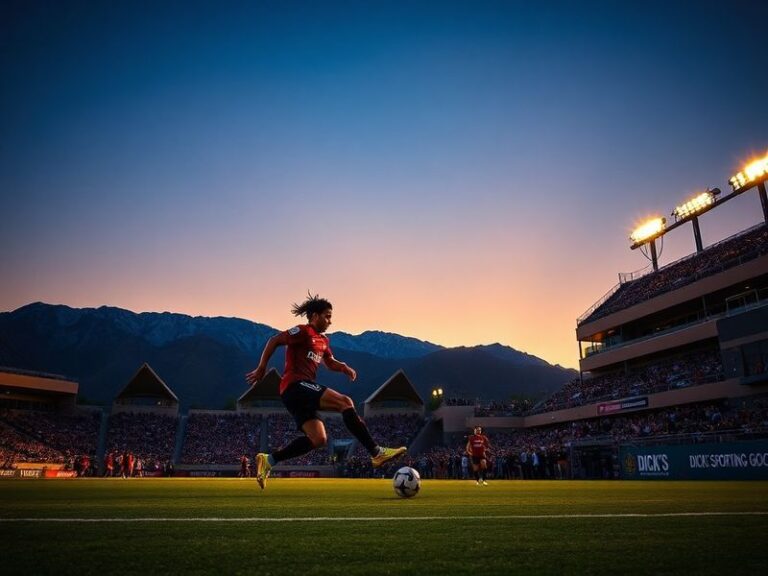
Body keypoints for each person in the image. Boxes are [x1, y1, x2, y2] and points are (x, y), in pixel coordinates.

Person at [245, 293, 406, 489]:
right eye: (327, 316)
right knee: (345, 402)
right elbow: (274, 340)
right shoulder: (303, 332)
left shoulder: (323, 341)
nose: (330, 321)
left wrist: (344, 367)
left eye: (331, 316)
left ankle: (269, 460)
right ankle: (375, 452)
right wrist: (262, 367)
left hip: (299, 393)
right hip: (294, 386)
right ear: (314, 315)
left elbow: (329, 362)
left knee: (318, 439)